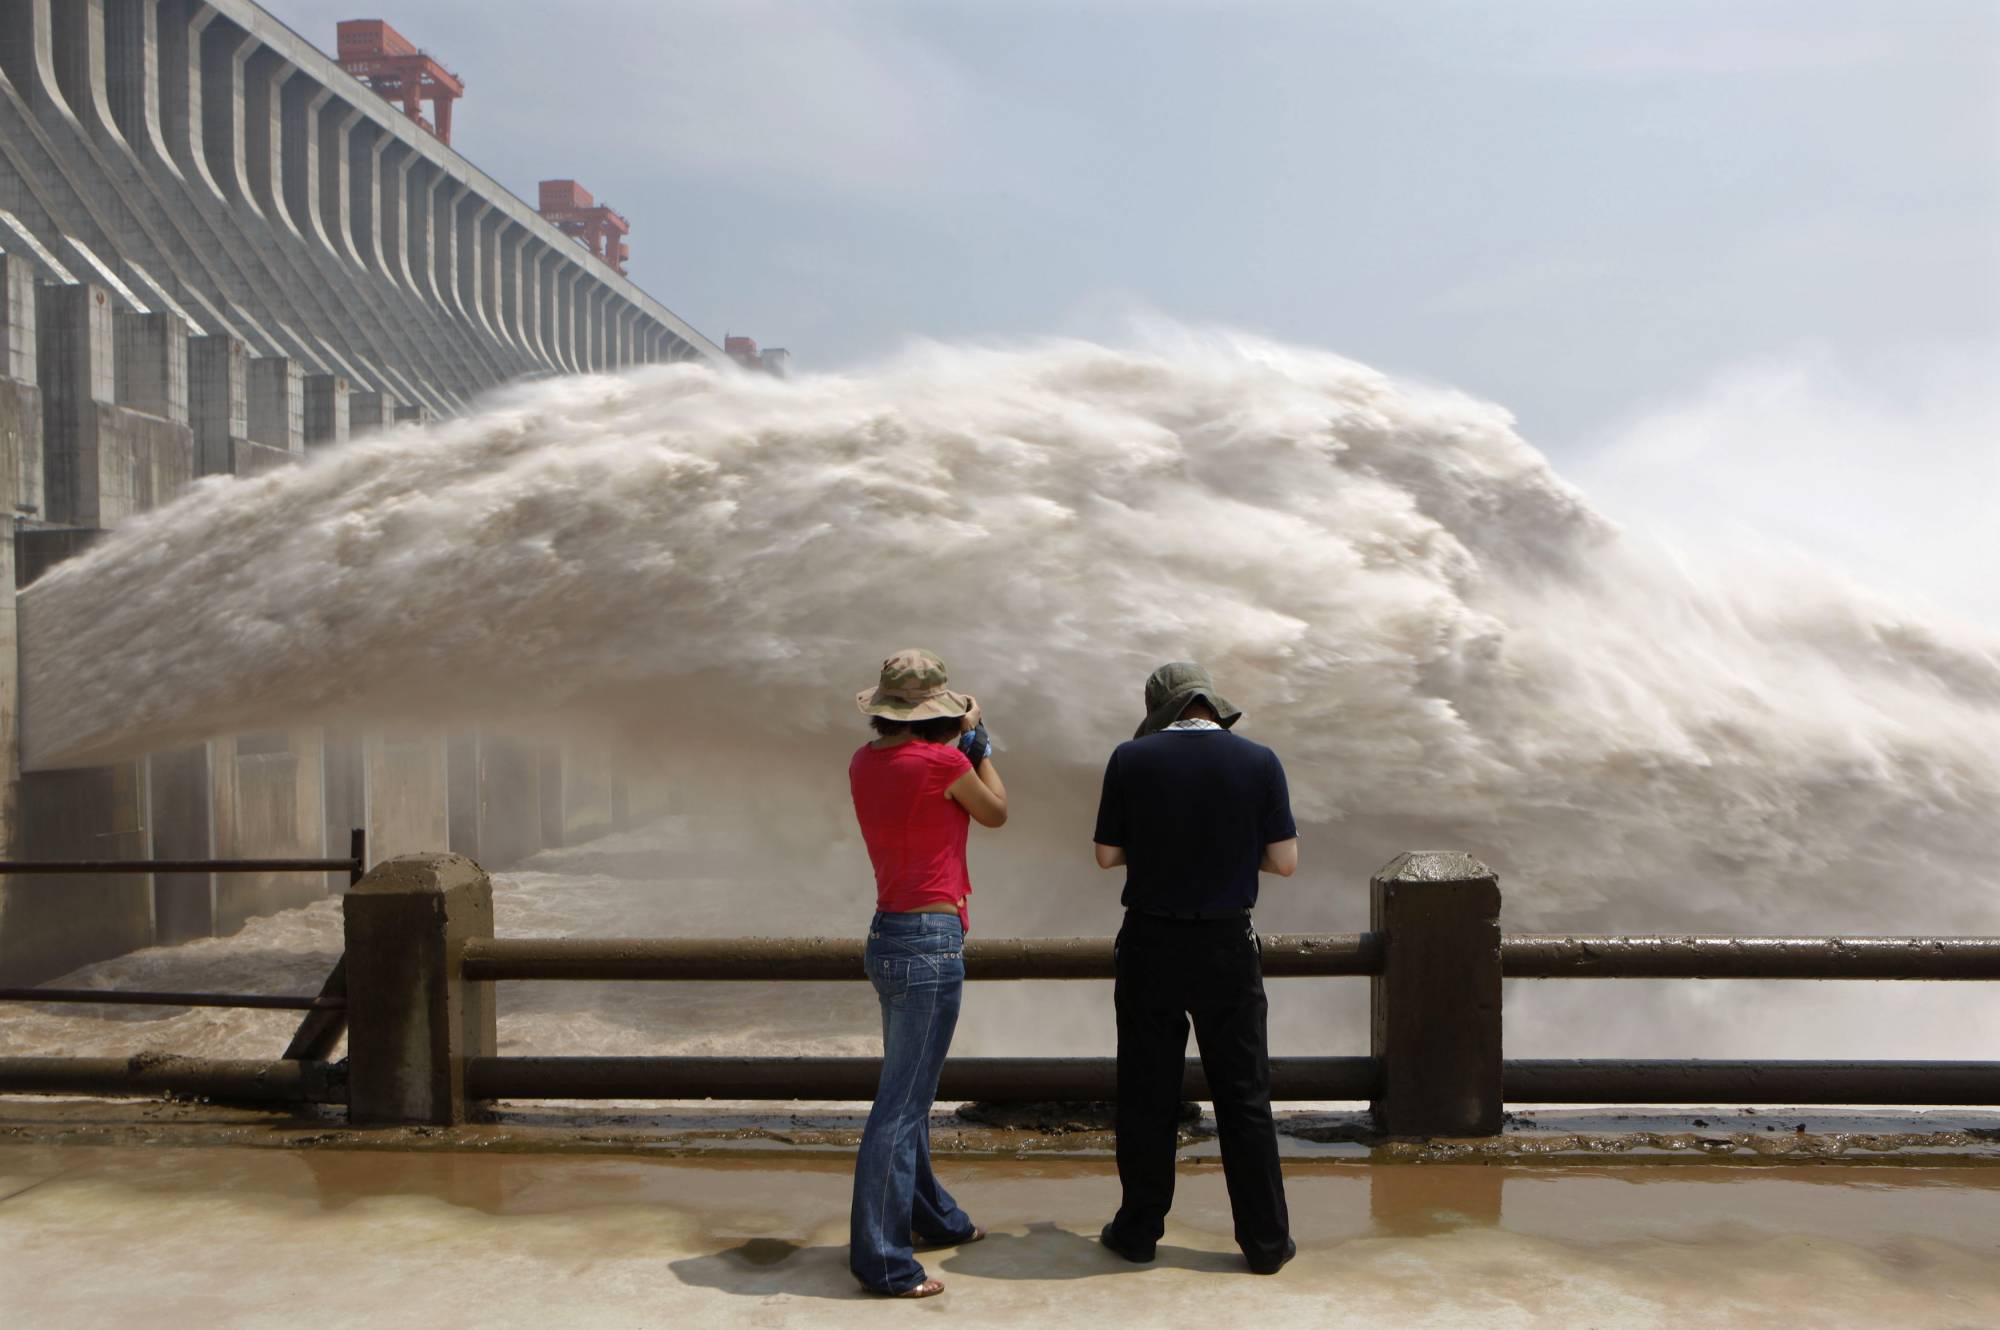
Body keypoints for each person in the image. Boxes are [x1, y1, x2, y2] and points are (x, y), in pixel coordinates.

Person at [1091, 661, 1299, 1275]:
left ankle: (1137, 1232)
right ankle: (1265, 1242)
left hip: (1152, 941)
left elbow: (1107, 855)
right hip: (1227, 945)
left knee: (1147, 1092)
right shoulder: (1261, 761)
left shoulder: (1131, 759)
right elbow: (1284, 862)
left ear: (1161, 710)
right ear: (1212, 706)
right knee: (1244, 1097)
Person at [847, 648, 1008, 1298]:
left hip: (887, 932)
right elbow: (995, 810)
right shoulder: (944, 761)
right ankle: (883, 1261)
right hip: (929, 941)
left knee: (908, 1097)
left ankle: (935, 1218)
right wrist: (979, 742)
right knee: (901, 1106)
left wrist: (959, 739)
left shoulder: (865, 761)